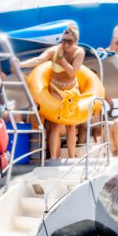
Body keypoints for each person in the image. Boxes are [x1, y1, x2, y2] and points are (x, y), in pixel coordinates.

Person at [14, 25, 85, 158]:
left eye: (70, 41)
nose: (66, 44)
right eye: (64, 40)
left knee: (71, 125)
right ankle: (53, 157)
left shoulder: (79, 52)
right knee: (55, 125)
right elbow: (38, 60)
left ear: (76, 41)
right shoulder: (54, 50)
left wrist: (61, 59)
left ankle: (71, 156)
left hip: (71, 90)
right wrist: (21, 64)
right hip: (56, 89)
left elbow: (72, 72)